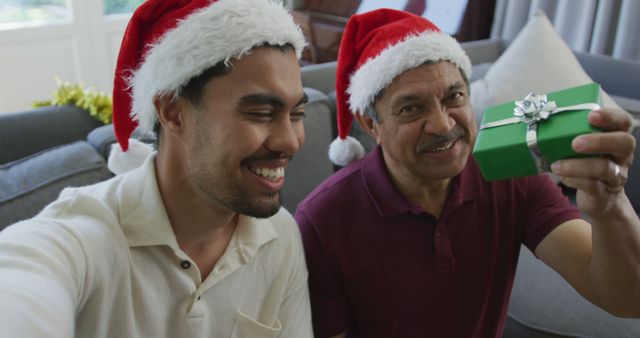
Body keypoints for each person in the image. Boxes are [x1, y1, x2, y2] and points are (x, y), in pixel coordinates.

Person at [294, 8, 640, 338]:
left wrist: (610, 206)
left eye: (454, 97)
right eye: (411, 108)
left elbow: (626, 299)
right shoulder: (324, 219)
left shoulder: (510, 174)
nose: (443, 124)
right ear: (372, 124)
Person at [0, 0, 314, 337]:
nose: (291, 141)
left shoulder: (280, 234)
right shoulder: (82, 238)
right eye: (261, 113)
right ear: (172, 112)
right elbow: (22, 277)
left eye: (296, 114)